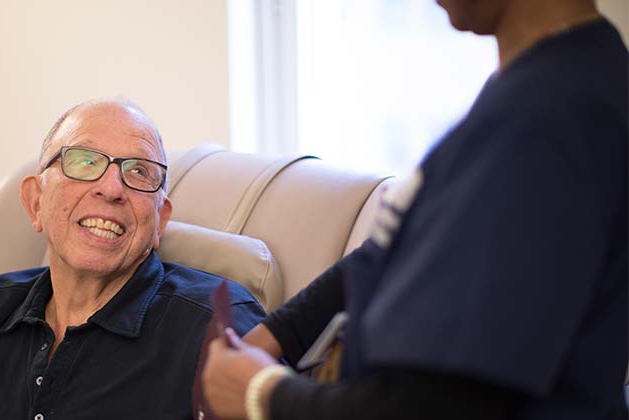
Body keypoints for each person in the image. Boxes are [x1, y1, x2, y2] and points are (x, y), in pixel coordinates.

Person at [202, 0, 628, 419]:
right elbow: (387, 251)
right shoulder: (559, 75)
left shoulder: (543, 122)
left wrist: (263, 395)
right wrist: (277, 335)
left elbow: (438, 404)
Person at [0, 98, 265, 419]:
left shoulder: (218, 323)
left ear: (160, 221)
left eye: (140, 171)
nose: (111, 188)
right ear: (35, 201)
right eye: (84, 161)